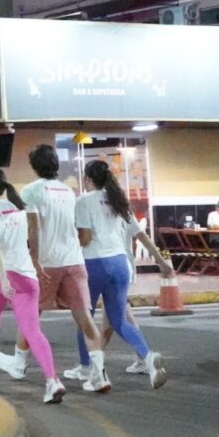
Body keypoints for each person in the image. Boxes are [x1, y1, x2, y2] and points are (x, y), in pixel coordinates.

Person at [0, 145, 107, 394]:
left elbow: (33, 229)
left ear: (34, 166)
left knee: (30, 314)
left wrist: (34, 261)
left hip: (48, 262)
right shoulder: (69, 191)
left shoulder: (32, 190)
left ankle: (19, 363)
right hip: (74, 261)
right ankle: (99, 374)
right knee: (84, 317)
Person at [71, 159, 172, 389]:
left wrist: (69, 244)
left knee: (84, 316)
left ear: (87, 179)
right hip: (120, 264)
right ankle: (148, 356)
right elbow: (141, 236)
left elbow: (85, 239)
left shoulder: (84, 201)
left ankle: (86, 367)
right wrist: (160, 261)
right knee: (118, 320)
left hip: (94, 264)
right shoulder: (119, 201)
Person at [0, 169, 65, 404]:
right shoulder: (19, 210)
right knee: (32, 330)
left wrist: (2, 279)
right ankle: (53, 380)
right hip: (27, 276)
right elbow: (32, 237)